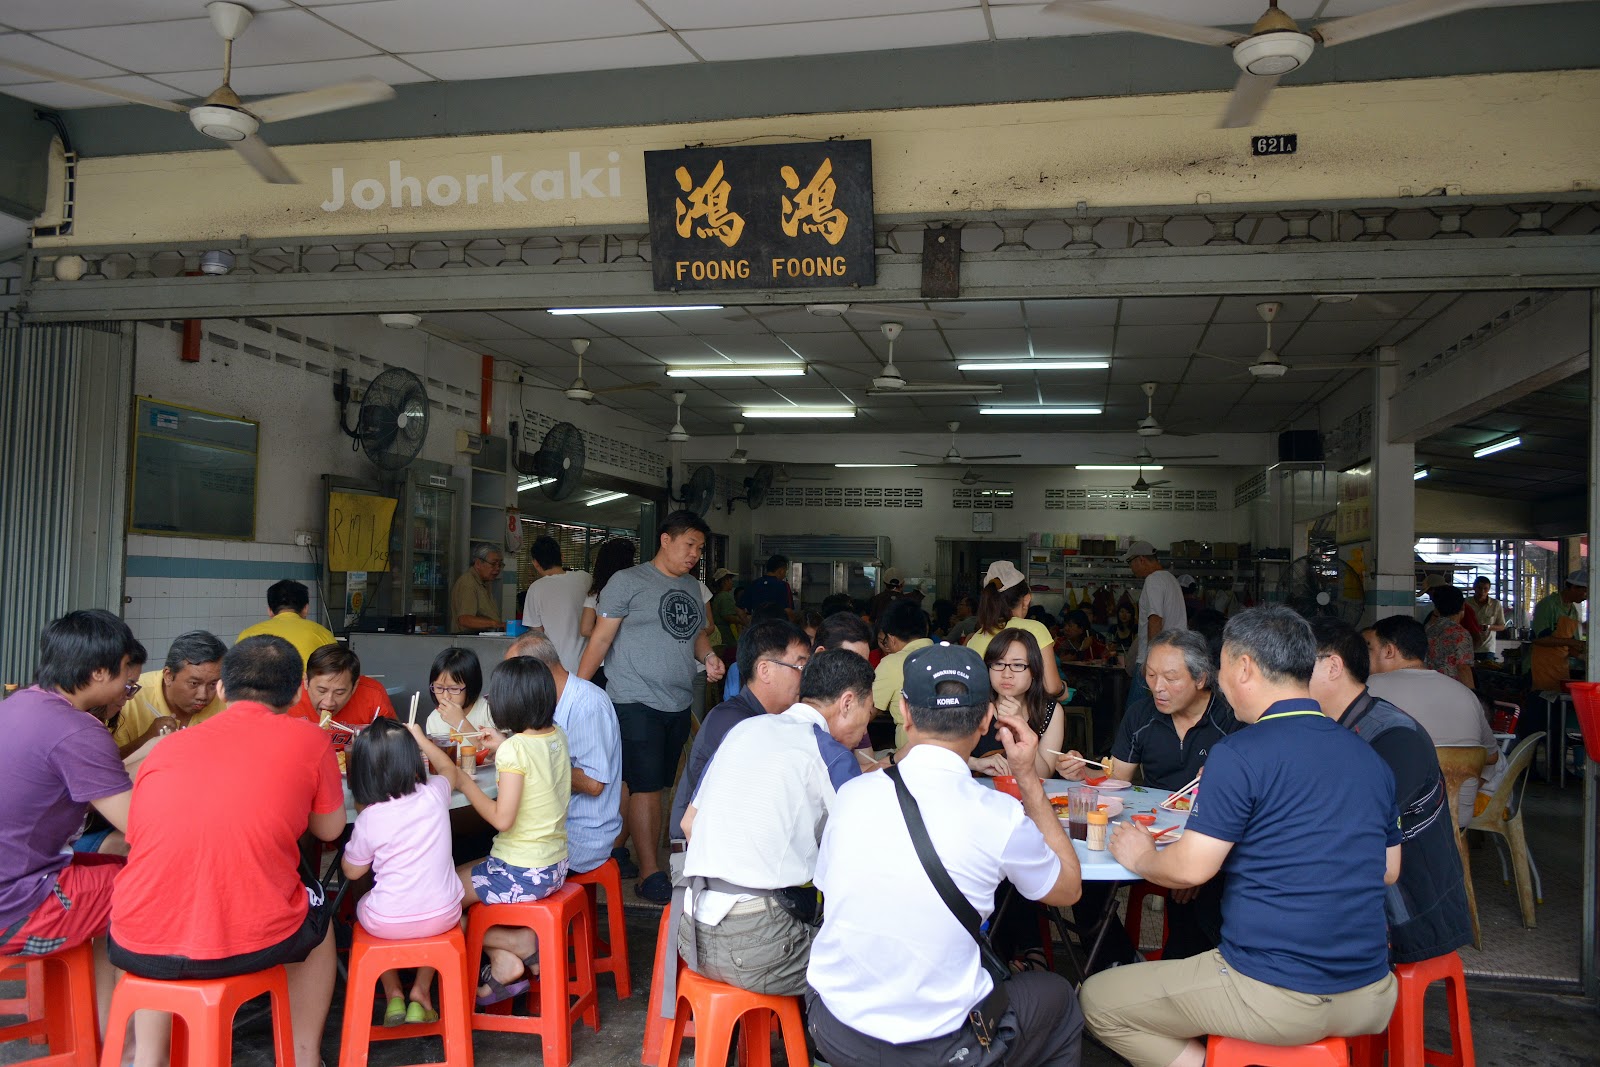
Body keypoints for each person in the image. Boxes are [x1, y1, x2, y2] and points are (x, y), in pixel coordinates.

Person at [1081, 607, 1401, 1067]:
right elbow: (1388, 870)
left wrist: (1142, 854)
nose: (1220, 679)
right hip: (1371, 993)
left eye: (1222, 665)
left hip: (1272, 991)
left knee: (1098, 1001)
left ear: (1244, 667)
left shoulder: (1240, 751)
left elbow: (1191, 869)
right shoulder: (1366, 754)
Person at [806, 643, 1084, 1067]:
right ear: (989, 718)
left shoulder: (853, 795)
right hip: (940, 1047)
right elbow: (1067, 889)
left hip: (836, 1030)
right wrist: (1027, 776)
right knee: (1059, 998)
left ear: (906, 712)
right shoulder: (998, 815)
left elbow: (830, 888)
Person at [109, 635, 347, 1067]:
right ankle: (303, 1056)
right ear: (297, 693)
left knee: (166, 906)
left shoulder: (168, 746)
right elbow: (330, 829)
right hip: (239, 944)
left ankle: (147, 1058)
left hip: (133, 938)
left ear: (222, 689)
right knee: (319, 912)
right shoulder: (311, 740)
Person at [677, 650, 875, 994]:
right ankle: (820, 1047)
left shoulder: (744, 730)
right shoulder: (831, 754)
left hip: (693, 936)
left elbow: (689, 824)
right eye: (867, 713)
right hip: (762, 947)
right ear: (846, 703)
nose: (865, 727)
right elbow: (859, 858)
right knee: (871, 961)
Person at [1061, 629, 1240, 969]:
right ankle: (1119, 964)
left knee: (1195, 906)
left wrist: (1192, 867)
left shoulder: (1231, 721)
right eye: (1151, 675)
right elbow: (1117, 784)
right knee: (1083, 886)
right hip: (1149, 833)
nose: (1157, 687)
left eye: (1171, 678)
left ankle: (1172, 979)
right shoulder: (1142, 716)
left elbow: (1240, 811)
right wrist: (1082, 773)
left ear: (1201, 678)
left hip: (1206, 839)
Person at [576, 510, 725, 903]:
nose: (695, 554)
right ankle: (650, 872)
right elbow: (600, 640)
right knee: (647, 787)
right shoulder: (627, 582)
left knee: (647, 781)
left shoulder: (694, 587)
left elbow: (694, 636)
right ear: (665, 540)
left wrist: (708, 656)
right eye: (690, 545)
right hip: (632, 698)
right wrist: (576, 689)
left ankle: (615, 849)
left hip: (677, 700)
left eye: (700, 549)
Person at [1, 610, 138, 1032]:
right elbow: (141, 828)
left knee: (118, 875)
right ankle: (131, 1048)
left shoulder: (19, 702)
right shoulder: (78, 730)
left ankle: (99, 1030)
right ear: (99, 673)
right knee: (150, 890)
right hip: (18, 906)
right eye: (124, 678)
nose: (127, 689)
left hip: (17, 882)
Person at [1308, 618, 1473, 964]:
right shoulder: (1326, 726)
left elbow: (1350, 828)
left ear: (1333, 666)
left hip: (1406, 909)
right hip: (1355, 897)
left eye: (1297, 663)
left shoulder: (1395, 737)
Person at [438, 657, 571, 1005]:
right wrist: (501, 745)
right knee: (458, 874)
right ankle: (504, 961)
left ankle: (518, 945)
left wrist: (465, 784)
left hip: (521, 870)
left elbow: (501, 820)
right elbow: (532, 766)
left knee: (442, 892)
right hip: (553, 865)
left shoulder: (516, 749)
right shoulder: (556, 736)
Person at [341, 718, 464, 1027]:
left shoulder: (369, 818)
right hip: (444, 915)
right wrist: (422, 740)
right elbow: (450, 771)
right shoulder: (434, 793)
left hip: (386, 923)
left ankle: (394, 992)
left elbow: (353, 873)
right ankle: (421, 991)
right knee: (453, 919)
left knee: (363, 907)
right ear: (413, 760)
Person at [671, 619, 811, 841]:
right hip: (698, 854)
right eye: (800, 667)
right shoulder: (735, 722)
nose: (806, 677)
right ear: (764, 670)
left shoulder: (766, 717)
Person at [502, 632, 623, 877]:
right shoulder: (545, 703)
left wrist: (532, 763)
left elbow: (592, 783)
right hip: (552, 827)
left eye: (515, 674)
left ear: (537, 671)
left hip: (578, 836)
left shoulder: (586, 704)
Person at [1364, 616, 1497, 825]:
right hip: (1457, 816)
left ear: (1389, 651)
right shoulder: (1465, 693)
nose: (1365, 656)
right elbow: (1492, 757)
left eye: (1370, 648)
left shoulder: (1369, 688)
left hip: (1402, 817)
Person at [111, 629, 228, 757]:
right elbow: (105, 763)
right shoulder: (129, 697)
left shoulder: (226, 699)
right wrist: (147, 739)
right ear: (168, 675)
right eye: (194, 683)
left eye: (213, 684)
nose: (203, 695)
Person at [970, 629, 1068, 780]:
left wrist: (1021, 728)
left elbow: (1044, 775)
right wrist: (975, 763)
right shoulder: (974, 706)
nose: (1006, 674)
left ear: (1034, 671)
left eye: (1017, 665)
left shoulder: (1050, 711)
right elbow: (941, 756)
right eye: (998, 663)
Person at [966, 560, 1065, 700]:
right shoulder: (1036, 629)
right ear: (1026, 600)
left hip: (986, 715)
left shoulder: (976, 637)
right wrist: (1063, 690)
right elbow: (1051, 687)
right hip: (1024, 716)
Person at [1121, 540, 1187, 731]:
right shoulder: (1171, 579)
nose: (1131, 568)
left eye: (1131, 562)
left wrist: (1152, 660)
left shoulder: (1154, 580)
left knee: (1134, 717)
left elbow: (1155, 619)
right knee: (1159, 716)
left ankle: (1126, 758)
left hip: (1155, 661)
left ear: (1141, 560)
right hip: (1174, 659)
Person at [519, 535, 591, 672]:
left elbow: (537, 633)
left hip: (556, 666)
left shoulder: (535, 588)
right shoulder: (585, 578)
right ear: (562, 556)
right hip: (588, 664)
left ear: (535, 563)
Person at [873, 599, 936, 748]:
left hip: (911, 756)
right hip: (954, 754)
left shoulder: (892, 663)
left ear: (892, 639)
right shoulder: (949, 656)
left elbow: (866, 712)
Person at [287, 644, 397, 728]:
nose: (328, 703)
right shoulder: (289, 697)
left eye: (339, 693)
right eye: (321, 690)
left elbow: (394, 743)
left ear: (354, 687)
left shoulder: (373, 694)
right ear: (306, 681)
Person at [238, 579, 336, 667]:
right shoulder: (322, 633)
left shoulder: (247, 635)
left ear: (270, 611)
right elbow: (337, 669)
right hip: (305, 686)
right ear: (306, 608)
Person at [1526, 570, 1588, 693]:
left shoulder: (1573, 611)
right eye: (1584, 591)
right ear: (1574, 588)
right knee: (1541, 708)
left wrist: (1584, 657)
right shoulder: (1548, 605)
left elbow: (1571, 644)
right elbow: (1539, 639)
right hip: (1540, 667)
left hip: (1559, 669)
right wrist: (1573, 643)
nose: (1586, 596)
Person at [422, 646, 493, 741]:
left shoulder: (488, 711)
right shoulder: (433, 719)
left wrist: (460, 722)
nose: (446, 697)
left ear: (471, 686)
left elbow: (497, 753)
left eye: (454, 689)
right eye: (439, 687)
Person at [579, 537, 637, 640]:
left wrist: (606, 637)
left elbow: (586, 629)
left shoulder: (596, 593)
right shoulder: (637, 590)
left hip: (605, 653)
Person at [1424, 585, 1476, 690]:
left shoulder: (1428, 629)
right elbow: (1463, 668)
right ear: (1463, 605)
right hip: (1453, 691)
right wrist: (1474, 697)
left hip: (1429, 688)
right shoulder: (1460, 634)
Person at [452, 543, 506, 634]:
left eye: (500, 564)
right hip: (469, 641)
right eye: (493, 564)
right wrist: (496, 624)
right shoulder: (468, 583)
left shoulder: (485, 582)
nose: (497, 569)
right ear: (478, 563)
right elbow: (465, 620)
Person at [741, 554, 794, 619]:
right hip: (776, 627)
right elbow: (788, 611)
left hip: (758, 627)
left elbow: (739, 608)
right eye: (785, 571)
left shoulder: (754, 584)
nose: (785, 574)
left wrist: (747, 623)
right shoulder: (783, 586)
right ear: (781, 571)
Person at [708, 566, 744, 656]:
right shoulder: (725, 596)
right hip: (725, 634)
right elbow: (727, 616)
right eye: (730, 580)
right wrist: (742, 620)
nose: (732, 583)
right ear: (725, 581)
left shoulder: (718, 596)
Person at [1469, 576, 1507, 660]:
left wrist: (1488, 627)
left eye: (1485, 589)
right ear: (1474, 587)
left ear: (1489, 589)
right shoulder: (1466, 603)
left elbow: (1502, 626)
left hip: (1487, 648)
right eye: (1479, 588)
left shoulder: (1495, 604)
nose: (1482, 591)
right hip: (1468, 647)